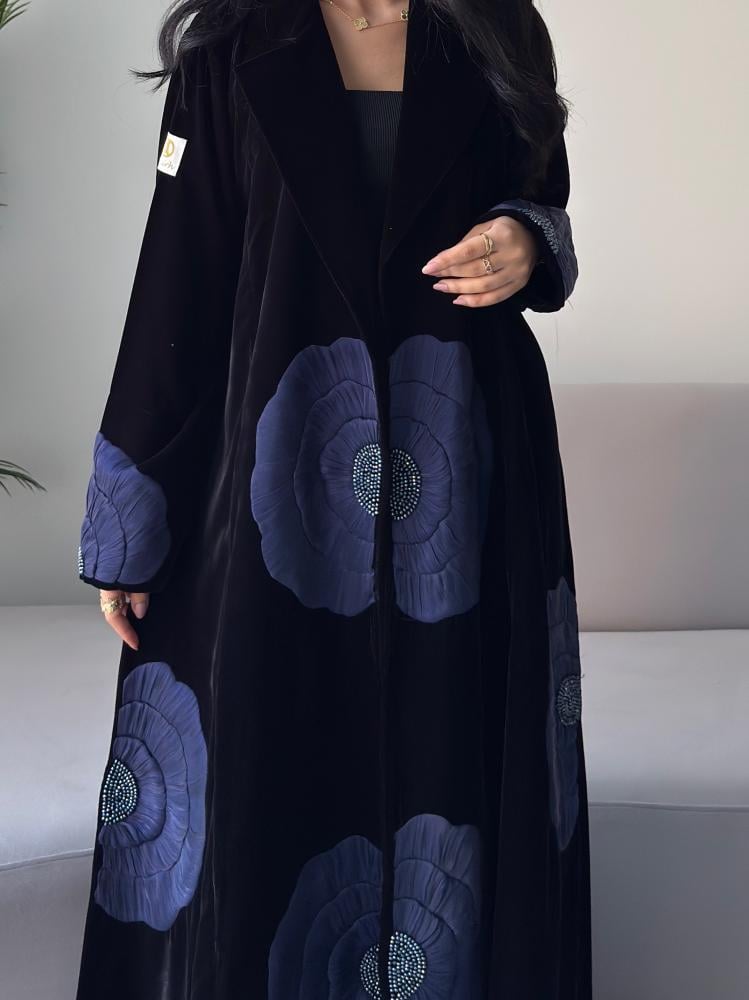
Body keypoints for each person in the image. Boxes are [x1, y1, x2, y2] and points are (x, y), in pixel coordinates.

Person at [74, 0, 589, 995]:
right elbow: (176, 280)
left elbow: (539, 200)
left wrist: (526, 242)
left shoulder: (495, 26)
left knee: (457, 762)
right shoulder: (231, 46)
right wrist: (129, 525)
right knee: (266, 762)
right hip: (276, 470)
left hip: (467, 466)